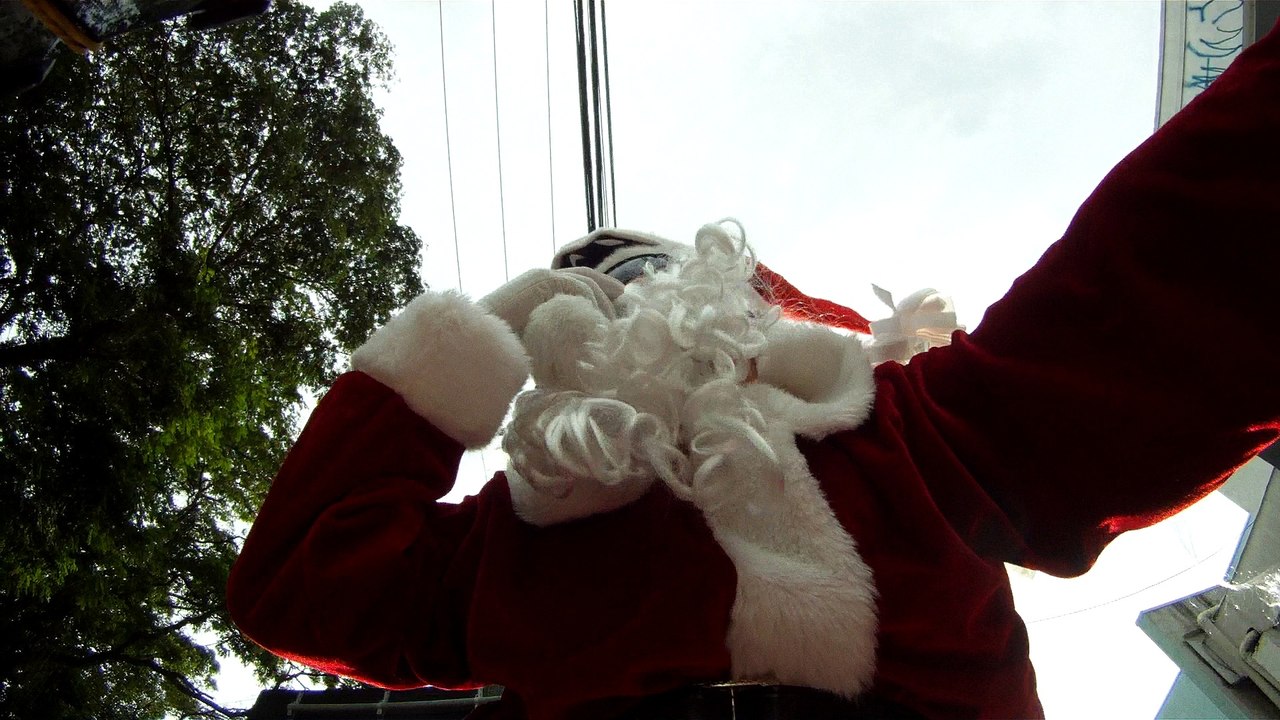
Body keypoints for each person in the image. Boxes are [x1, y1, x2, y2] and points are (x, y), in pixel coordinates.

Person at [227, 18, 1280, 720]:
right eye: (584, 282)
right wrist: (488, 326)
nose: (617, 289)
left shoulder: (916, 436)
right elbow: (298, 583)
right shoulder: (508, 545)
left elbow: (1186, 264)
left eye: (643, 269)